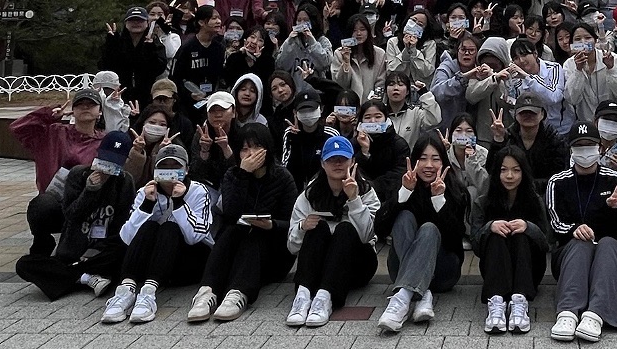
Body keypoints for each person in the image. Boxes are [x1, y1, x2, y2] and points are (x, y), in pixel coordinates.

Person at [187, 123, 298, 322]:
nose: (250, 154)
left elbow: (291, 223)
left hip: (272, 251)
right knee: (232, 230)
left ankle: (238, 294)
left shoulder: (283, 177)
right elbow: (231, 214)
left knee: (254, 234)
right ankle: (207, 292)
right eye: (244, 149)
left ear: (267, 148)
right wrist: (243, 175)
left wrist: (271, 225)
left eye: (256, 147)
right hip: (237, 247)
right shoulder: (233, 175)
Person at [102, 143, 214, 324]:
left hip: (187, 260)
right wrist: (147, 205)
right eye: (164, 167)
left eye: (175, 166)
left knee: (170, 227)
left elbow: (195, 237)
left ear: (186, 169)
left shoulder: (198, 191)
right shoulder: (145, 192)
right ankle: (125, 292)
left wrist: (179, 202)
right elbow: (127, 238)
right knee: (149, 226)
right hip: (151, 261)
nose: (170, 171)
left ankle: (148, 294)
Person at [15, 132, 134, 301]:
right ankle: (86, 278)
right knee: (24, 265)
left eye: (114, 163)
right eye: (105, 160)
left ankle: (70, 276)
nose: (107, 167)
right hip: (73, 249)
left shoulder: (125, 182)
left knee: (122, 254)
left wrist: (99, 249)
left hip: (102, 253)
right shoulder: (78, 175)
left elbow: (120, 226)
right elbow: (71, 215)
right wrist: (89, 191)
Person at [546, 121, 617, 344]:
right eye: (579, 146)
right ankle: (567, 313)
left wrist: (613, 209)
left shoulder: (616, 180)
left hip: (614, 258)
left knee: (606, 243)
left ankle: (596, 315)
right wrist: (574, 229)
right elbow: (556, 224)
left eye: (590, 145)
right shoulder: (557, 182)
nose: (584, 151)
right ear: (571, 150)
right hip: (572, 258)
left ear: (600, 148)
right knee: (580, 242)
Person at [374, 132, 468, 331]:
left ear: (444, 162)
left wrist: (439, 200)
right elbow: (380, 229)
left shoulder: (455, 190)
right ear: (414, 161)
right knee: (404, 217)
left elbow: (455, 238)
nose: (428, 165)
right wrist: (405, 193)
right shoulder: (402, 184)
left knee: (429, 229)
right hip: (400, 267)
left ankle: (401, 299)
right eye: (423, 159)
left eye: (435, 159)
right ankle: (421, 294)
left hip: (443, 271)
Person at [285, 134, 381, 327]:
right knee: (316, 226)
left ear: (352, 161)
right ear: (323, 163)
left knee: (345, 229)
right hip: (320, 266)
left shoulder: (366, 190)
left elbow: (367, 236)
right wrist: (302, 227)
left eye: (343, 159)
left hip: (357, 264)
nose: (338, 164)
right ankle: (302, 296)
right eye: (332, 159)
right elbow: (292, 247)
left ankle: (325, 299)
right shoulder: (310, 194)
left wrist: (354, 200)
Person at [12, 87, 107, 256]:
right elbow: (19, 128)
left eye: (91, 104)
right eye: (80, 104)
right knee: (40, 205)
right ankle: (42, 241)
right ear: (73, 111)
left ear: (100, 112)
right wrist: (48, 115)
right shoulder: (53, 133)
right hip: (55, 202)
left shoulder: (105, 141)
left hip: (87, 205)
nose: (85, 107)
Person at [470, 145, 551, 334]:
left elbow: (546, 242)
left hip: (529, 270)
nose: (509, 176)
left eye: (516, 170)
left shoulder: (534, 200)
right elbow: (475, 245)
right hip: (495, 269)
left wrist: (528, 227)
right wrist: (489, 227)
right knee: (496, 234)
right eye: (503, 170)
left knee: (520, 234)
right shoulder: (483, 202)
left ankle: (520, 302)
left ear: (524, 172)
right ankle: (496, 302)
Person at [488, 91, 570, 190]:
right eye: (523, 113)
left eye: (532, 113)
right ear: (515, 115)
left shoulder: (555, 140)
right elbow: (492, 170)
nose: (528, 116)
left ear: (542, 114)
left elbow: (559, 177)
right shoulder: (507, 137)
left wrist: (525, 185)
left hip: (544, 193)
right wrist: (498, 139)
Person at [99, 6, 168, 110]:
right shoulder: (118, 41)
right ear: (126, 23)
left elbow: (159, 68)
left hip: (147, 95)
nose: (136, 23)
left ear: (147, 23)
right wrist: (111, 46)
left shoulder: (154, 42)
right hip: (121, 94)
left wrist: (149, 50)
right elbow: (104, 66)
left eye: (140, 20)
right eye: (132, 20)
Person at [351, 96, 412, 205]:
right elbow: (353, 171)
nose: (373, 121)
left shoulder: (399, 144)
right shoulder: (353, 144)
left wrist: (372, 186)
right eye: (367, 117)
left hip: (391, 198)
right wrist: (364, 152)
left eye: (378, 116)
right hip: (360, 196)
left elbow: (398, 175)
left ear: (386, 119)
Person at [170, 5, 226, 119]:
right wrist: (189, 94)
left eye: (219, 18)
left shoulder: (219, 48)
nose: (218, 21)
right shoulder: (187, 47)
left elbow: (221, 76)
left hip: (211, 101)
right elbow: (174, 77)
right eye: (214, 18)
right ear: (201, 22)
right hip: (188, 104)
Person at [330, 13, 387, 102]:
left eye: (362, 29)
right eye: (354, 30)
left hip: (371, 104)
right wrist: (346, 63)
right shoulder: (339, 53)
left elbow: (380, 83)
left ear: (368, 31)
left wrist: (373, 103)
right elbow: (340, 85)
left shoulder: (379, 53)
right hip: (348, 104)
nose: (359, 33)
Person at [432, 30, 482, 130]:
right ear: (457, 51)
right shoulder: (445, 68)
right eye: (463, 49)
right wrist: (462, 79)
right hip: (446, 127)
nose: (467, 53)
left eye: (471, 50)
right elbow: (437, 93)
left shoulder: (482, 71)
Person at [381, 70, 441, 148]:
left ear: (408, 91)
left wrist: (425, 94)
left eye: (400, 85)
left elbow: (435, 119)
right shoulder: (379, 112)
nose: (396, 88)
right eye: (391, 85)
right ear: (385, 90)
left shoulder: (415, 113)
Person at [385, 7, 439, 87]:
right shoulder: (393, 42)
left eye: (420, 24)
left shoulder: (430, 44)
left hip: (420, 87)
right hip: (398, 87)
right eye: (413, 20)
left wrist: (414, 50)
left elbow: (427, 71)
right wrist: (406, 50)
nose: (414, 25)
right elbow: (390, 70)